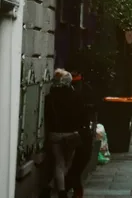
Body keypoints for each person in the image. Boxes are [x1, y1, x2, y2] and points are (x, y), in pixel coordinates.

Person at [44, 69, 87, 197]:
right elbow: (82, 115)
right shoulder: (76, 96)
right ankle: (59, 191)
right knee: (67, 163)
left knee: (59, 163)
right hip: (71, 134)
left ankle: (53, 189)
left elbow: (48, 116)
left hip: (55, 134)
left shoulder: (50, 97)